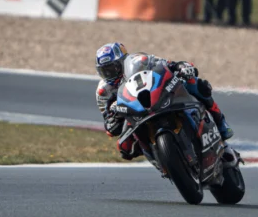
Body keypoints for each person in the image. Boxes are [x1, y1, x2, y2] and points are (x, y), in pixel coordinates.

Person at [95, 42, 234, 160]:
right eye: (105, 71)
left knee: (196, 84)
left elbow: (164, 64)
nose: (110, 74)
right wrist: (112, 121)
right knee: (124, 147)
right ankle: (158, 159)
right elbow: (108, 122)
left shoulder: (139, 60)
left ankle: (221, 122)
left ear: (123, 61)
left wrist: (180, 66)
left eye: (113, 68)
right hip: (134, 113)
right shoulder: (103, 91)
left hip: (155, 95)